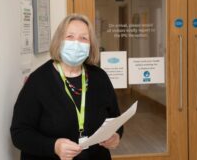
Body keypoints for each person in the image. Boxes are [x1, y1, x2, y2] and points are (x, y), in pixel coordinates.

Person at [10, 13, 123, 160]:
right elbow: (19, 133)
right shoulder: (38, 81)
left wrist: (115, 136)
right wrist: (54, 146)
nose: (76, 43)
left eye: (83, 38)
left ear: (91, 45)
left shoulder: (99, 77)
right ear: (59, 41)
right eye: (70, 36)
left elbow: (116, 120)